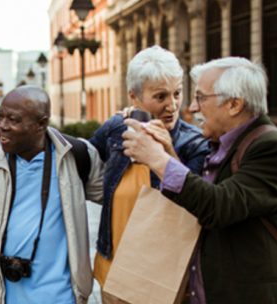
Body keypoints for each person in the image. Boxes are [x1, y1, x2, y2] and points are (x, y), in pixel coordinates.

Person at [122, 57, 277, 303]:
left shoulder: (271, 146)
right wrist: (169, 155)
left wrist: (158, 160)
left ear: (234, 104)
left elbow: (219, 205)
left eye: (201, 98)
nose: (192, 108)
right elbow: (198, 200)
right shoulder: (225, 142)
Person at [0, 86, 104, 304]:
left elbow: (117, 198)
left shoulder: (77, 156)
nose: (2, 126)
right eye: (0, 116)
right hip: (4, 297)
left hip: (65, 297)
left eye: (13, 119)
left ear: (41, 124)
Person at [88, 45, 210, 288]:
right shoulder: (117, 128)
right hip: (114, 265)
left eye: (177, 93)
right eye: (160, 96)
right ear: (134, 97)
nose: (173, 105)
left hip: (165, 272)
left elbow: (195, 204)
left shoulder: (194, 143)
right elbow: (82, 157)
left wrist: (167, 153)